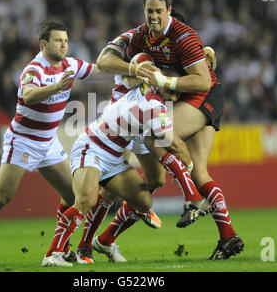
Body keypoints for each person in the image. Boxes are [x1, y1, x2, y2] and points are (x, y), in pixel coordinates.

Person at [96, 0, 244, 260]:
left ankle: (190, 195)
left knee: (157, 138)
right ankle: (228, 237)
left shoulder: (184, 36)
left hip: (204, 94)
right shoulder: (139, 36)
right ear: (144, 11)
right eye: (149, 11)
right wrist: (136, 70)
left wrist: (165, 81)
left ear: (169, 11)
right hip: (179, 100)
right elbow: (104, 61)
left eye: (158, 11)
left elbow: (200, 80)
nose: (153, 16)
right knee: (195, 172)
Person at [0, 20, 98, 268]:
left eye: (66, 41)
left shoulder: (70, 64)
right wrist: (55, 87)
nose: (64, 45)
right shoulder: (34, 70)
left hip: (48, 142)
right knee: (0, 198)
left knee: (73, 195)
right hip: (23, 142)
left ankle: (58, 252)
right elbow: (28, 94)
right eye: (59, 40)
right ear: (44, 43)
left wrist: (130, 68)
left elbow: (98, 69)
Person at [42, 81, 205, 266]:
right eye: (172, 92)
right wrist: (189, 169)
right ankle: (53, 254)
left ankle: (94, 245)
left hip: (114, 156)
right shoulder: (155, 107)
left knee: (144, 202)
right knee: (86, 200)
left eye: (177, 94)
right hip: (92, 147)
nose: (174, 97)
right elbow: (176, 146)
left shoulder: (145, 85)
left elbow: (141, 63)